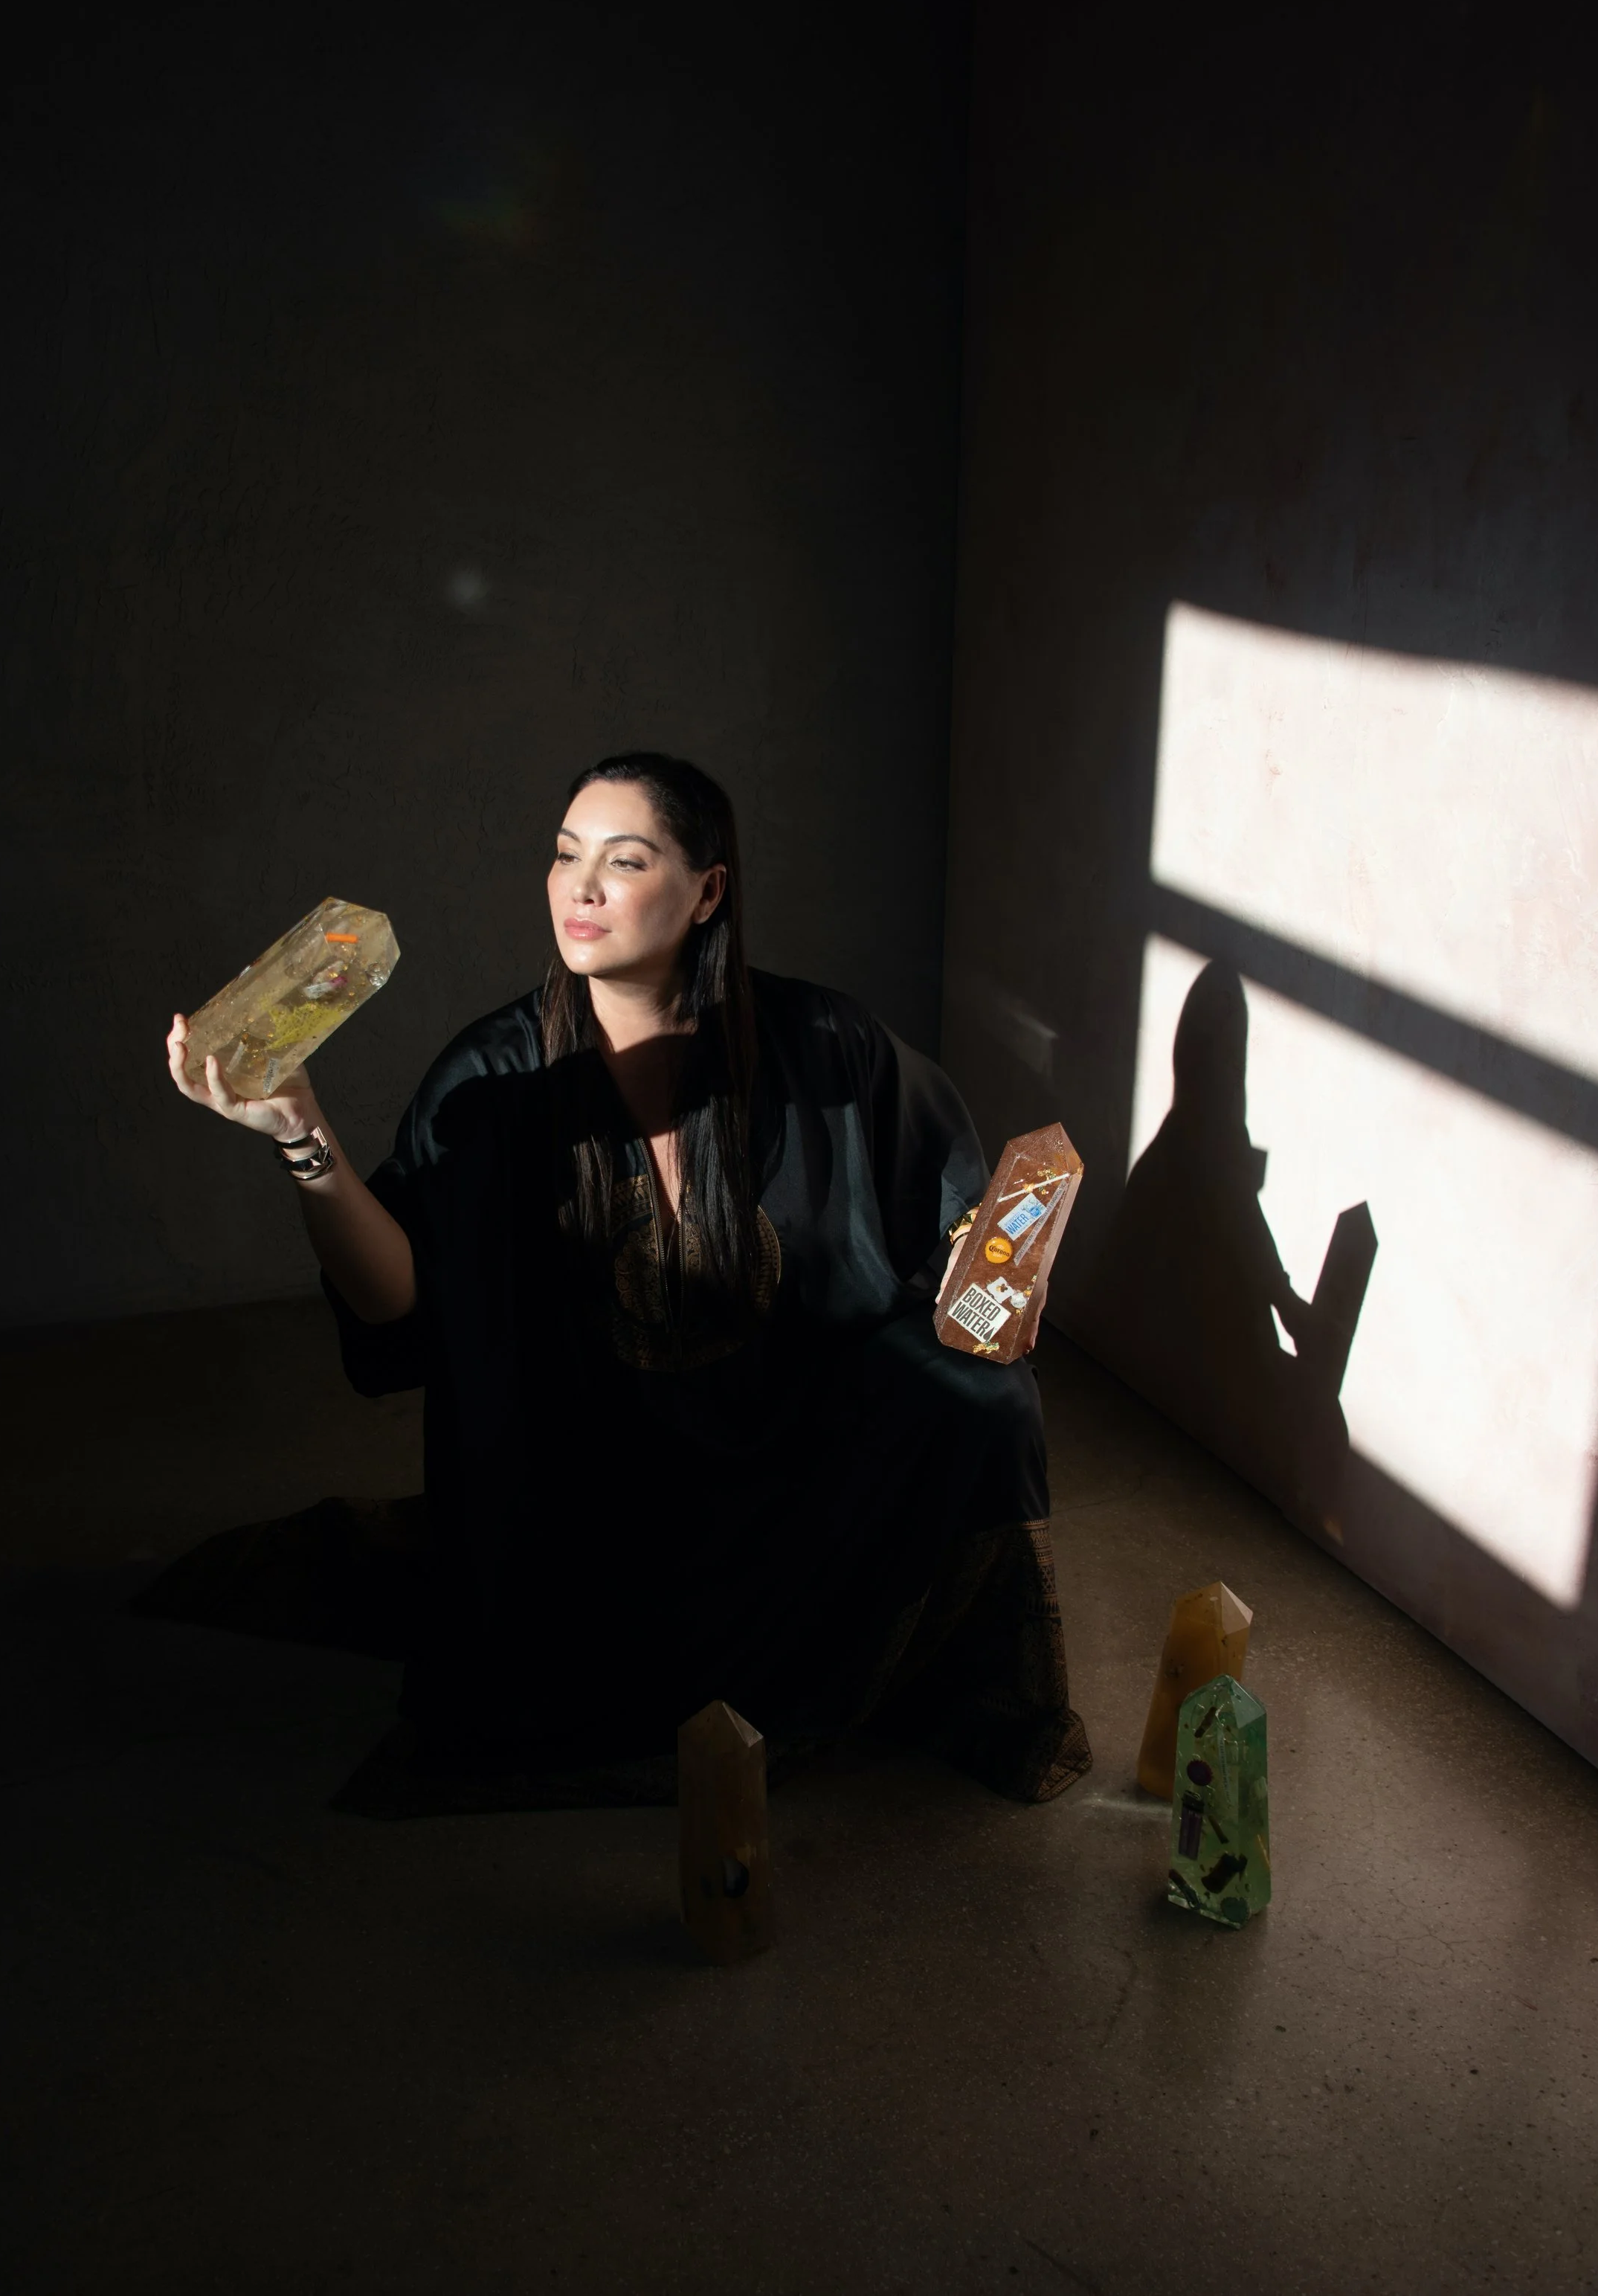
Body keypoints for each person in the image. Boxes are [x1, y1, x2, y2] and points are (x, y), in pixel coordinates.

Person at [153, 754, 1092, 1816]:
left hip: (794, 1454)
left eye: (625, 860)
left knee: (985, 1399)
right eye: (565, 857)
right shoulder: (494, 1078)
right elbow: (392, 1310)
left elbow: (964, 1239)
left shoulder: (830, 1046)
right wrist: (303, 1135)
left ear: (708, 891)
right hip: (588, 1485)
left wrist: (1004, 1283)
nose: (581, 888)